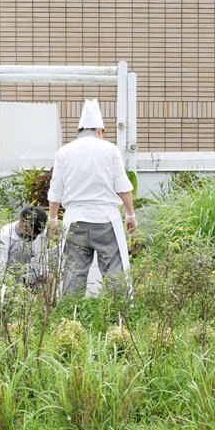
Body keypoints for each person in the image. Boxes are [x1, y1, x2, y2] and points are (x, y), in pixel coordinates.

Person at [48, 98, 137, 295]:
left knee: (73, 273)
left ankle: (69, 318)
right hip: (105, 220)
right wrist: (131, 215)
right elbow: (123, 186)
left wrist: (53, 219)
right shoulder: (110, 150)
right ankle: (118, 316)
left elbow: (56, 189)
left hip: (75, 222)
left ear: (79, 131)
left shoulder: (64, 152)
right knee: (114, 271)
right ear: (100, 130)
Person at [0, 206, 50, 285]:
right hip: (11, 276)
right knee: (22, 245)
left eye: (34, 235)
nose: (30, 235)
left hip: (32, 271)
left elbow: (42, 258)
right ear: (21, 221)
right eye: (27, 230)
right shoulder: (4, 235)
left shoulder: (40, 232)